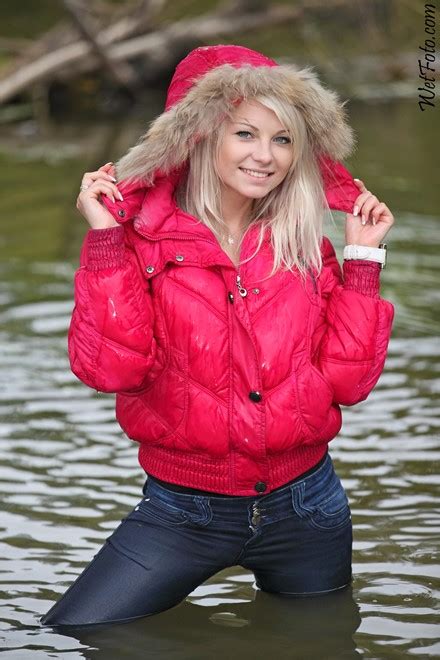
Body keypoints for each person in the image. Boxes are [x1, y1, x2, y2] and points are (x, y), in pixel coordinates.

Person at [41, 44, 395, 628]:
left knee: (321, 643)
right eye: (246, 134)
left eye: (283, 139)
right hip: (183, 510)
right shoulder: (139, 243)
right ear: (200, 135)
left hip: (308, 507)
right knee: (78, 632)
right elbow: (112, 371)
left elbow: (349, 383)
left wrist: (362, 259)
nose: (265, 157)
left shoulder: (306, 244)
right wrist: (105, 239)